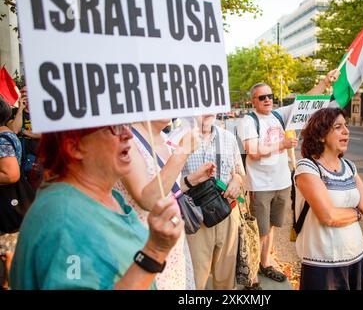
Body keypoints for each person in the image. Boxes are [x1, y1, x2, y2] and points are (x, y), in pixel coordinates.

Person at [10, 123, 183, 289]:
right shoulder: (66, 218)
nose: (128, 135)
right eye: (114, 127)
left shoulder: (109, 196)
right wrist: (154, 253)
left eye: (126, 125)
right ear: (75, 148)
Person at [237, 69, 340, 283]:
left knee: (272, 225)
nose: (267, 100)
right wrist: (281, 144)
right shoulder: (248, 121)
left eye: (270, 96)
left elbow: (306, 102)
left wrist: (324, 82)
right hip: (261, 185)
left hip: (282, 182)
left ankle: (265, 263)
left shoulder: (278, 115)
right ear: (253, 101)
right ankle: (252, 272)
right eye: (262, 97)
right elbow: (253, 152)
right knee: (259, 229)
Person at [294, 107, 363, 290]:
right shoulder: (307, 168)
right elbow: (328, 216)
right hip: (322, 264)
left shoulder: (349, 167)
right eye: (338, 127)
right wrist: (357, 213)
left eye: (346, 126)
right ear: (321, 136)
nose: (346, 131)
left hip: (355, 257)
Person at [115, 119, 216, 290]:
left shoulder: (163, 137)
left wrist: (192, 180)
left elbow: (165, 190)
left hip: (171, 243)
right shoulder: (128, 138)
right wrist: (182, 153)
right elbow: (147, 199)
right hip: (146, 243)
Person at [179, 114, 245, 290]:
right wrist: (192, 179)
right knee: (196, 278)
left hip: (228, 212)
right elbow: (169, 186)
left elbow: (239, 173)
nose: (207, 112)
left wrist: (236, 181)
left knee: (226, 276)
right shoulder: (177, 140)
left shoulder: (228, 138)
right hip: (196, 218)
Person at [0, 96, 22, 289]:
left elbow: (11, 174)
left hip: (6, 204)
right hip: (9, 205)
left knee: (8, 253)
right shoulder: (8, 133)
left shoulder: (1, 139)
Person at [7, 86, 41, 179]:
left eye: (27, 92)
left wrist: (24, 131)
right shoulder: (13, 112)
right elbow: (14, 129)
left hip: (37, 161)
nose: (24, 94)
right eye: (22, 92)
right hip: (18, 161)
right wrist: (20, 109)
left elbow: (43, 134)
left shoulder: (40, 113)